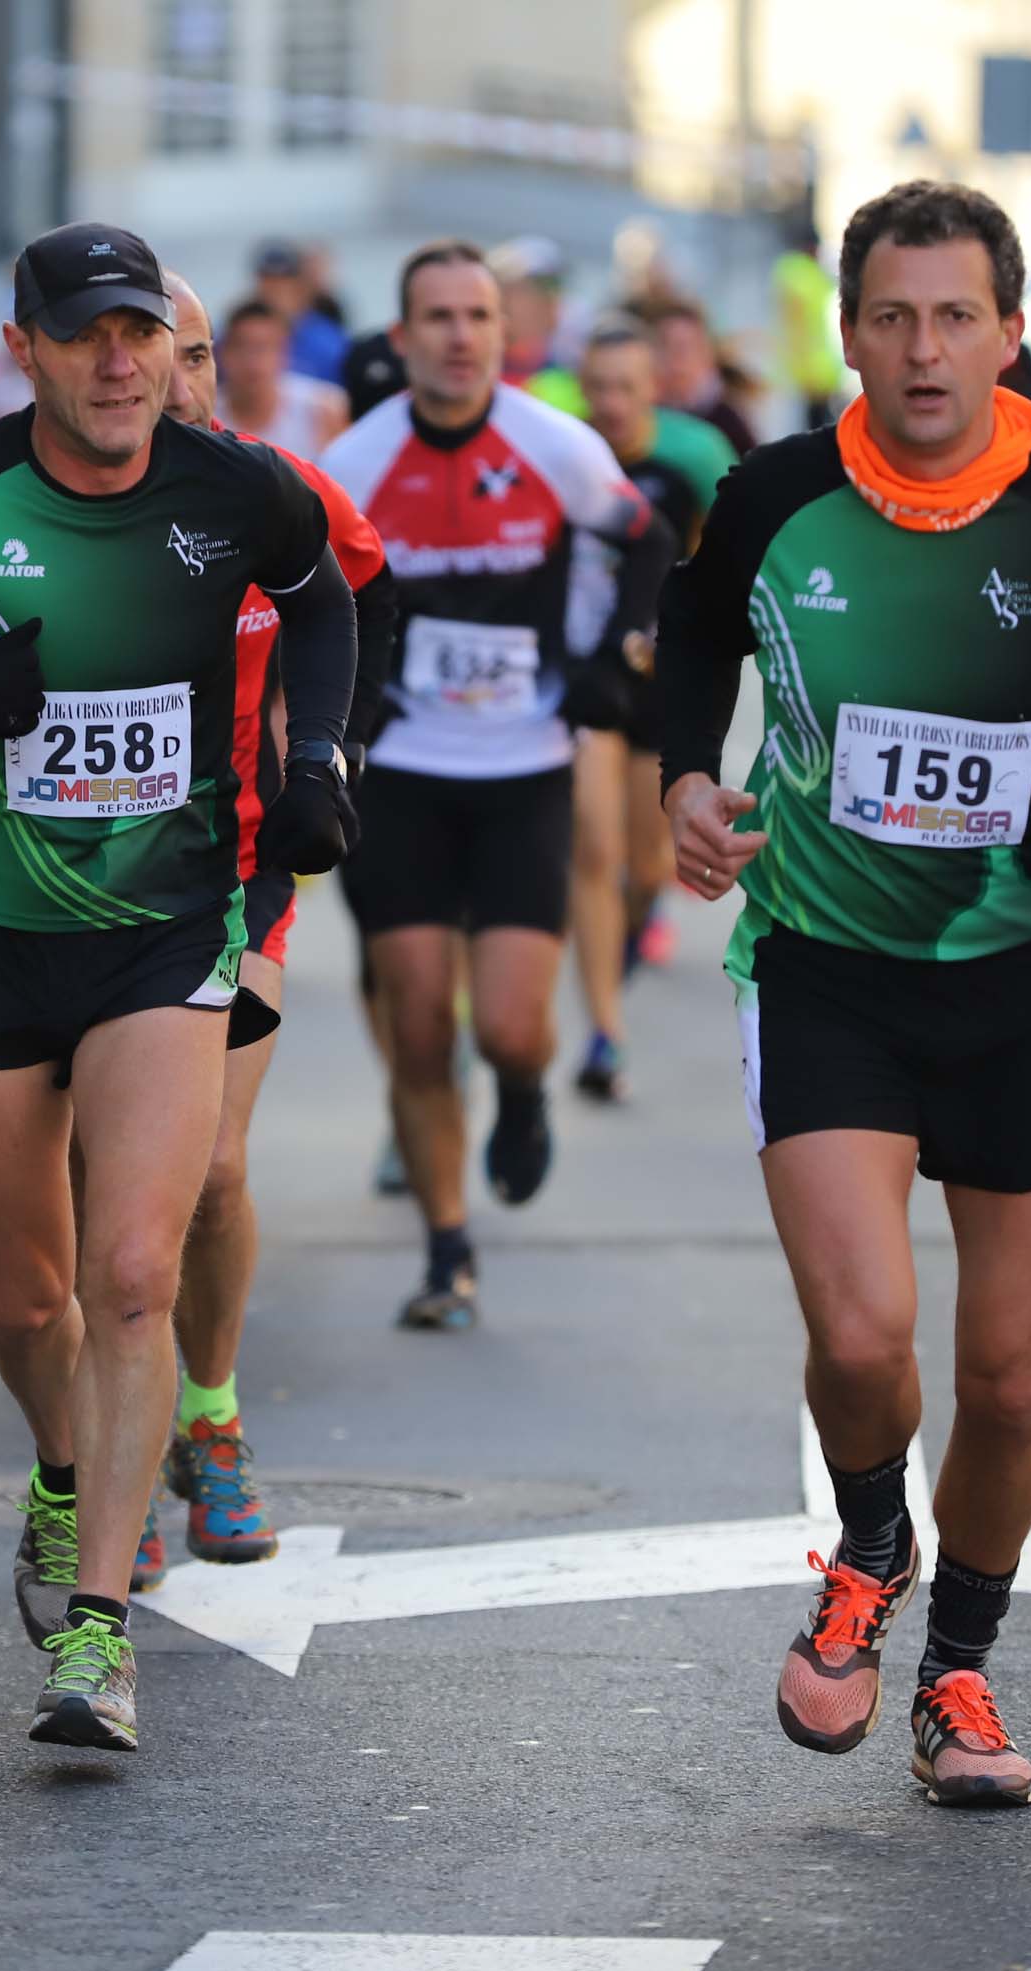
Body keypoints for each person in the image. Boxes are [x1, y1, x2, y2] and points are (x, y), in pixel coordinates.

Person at [659, 178, 1031, 1810]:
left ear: (1010, 333)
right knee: (860, 1331)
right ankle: (869, 1548)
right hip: (826, 968)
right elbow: (690, 639)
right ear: (846, 333)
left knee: (1016, 1378)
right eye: (891, 316)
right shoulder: (772, 499)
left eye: (954, 315)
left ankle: (956, 1671)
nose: (921, 349)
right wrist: (688, 779)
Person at [0, 223, 355, 1752]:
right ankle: (57, 1468)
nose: (117, 362)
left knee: (130, 1279)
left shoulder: (237, 490)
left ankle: (98, 1633)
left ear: (175, 351)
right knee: (25, 1298)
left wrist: (326, 761)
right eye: (83, 335)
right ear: (25, 347)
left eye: (139, 334)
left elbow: (324, 601)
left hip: (167, 930)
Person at [320, 241, 673, 1331]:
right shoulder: (359, 461)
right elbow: (309, 592)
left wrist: (614, 661)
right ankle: (447, 1247)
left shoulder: (555, 446)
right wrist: (339, 721)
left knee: (516, 1027)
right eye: (437, 317)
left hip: (524, 770)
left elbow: (650, 541)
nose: (461, 336)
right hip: (406, 777)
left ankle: (521, 1096)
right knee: (421, 1023)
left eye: (477, 315)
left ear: (502, 334)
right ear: (402, 337)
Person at [129, 272, 396, 1589]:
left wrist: (331, 759)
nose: (173, 383)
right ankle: (101, 1459)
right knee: (100, 1190)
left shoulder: (272, 491)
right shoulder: (28, 502)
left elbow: (362, 595)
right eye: (149, 355)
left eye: (191, 360)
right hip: (73, 891)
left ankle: (209, 1416)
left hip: (236, 879)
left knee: (213, 1174)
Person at [564, 320, 705, 1104]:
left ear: (655, 388)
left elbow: (722, 575)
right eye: (600, 387)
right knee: (593, 847)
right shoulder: (568, 468)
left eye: (627, 387)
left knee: (649, 869)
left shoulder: (684, 471)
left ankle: (616, 961)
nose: (612, 403)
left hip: (660, 687)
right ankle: (603, 1034)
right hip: (587, 685)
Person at [215, 298, 349, 459]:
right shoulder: (205, 413)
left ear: (284, 352)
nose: (251, 361)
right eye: (241, 347)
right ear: (223, 353)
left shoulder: (323, 409)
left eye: (262, 348)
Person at [651, 294, 758, 458]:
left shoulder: (728, 421)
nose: (675, 358)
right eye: (665, 345)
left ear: (707, 354)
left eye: (684, 348)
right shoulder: (647, 415)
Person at [494, 236, 584, 417]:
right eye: (532, 290)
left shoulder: (571, 380)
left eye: (553, 289)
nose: (548, 301)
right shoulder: (474, 374)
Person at [774, 216, 844, 430]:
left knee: (814, 418)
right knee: (817, 419)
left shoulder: (790, 271)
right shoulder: (804, 274)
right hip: (813, 361)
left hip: (805, 359)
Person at [252, 239, 349, 385]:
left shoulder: (329, 342)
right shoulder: (236, 337)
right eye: (268, 281)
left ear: (301, 287)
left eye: (283, 283)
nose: (274, 291)